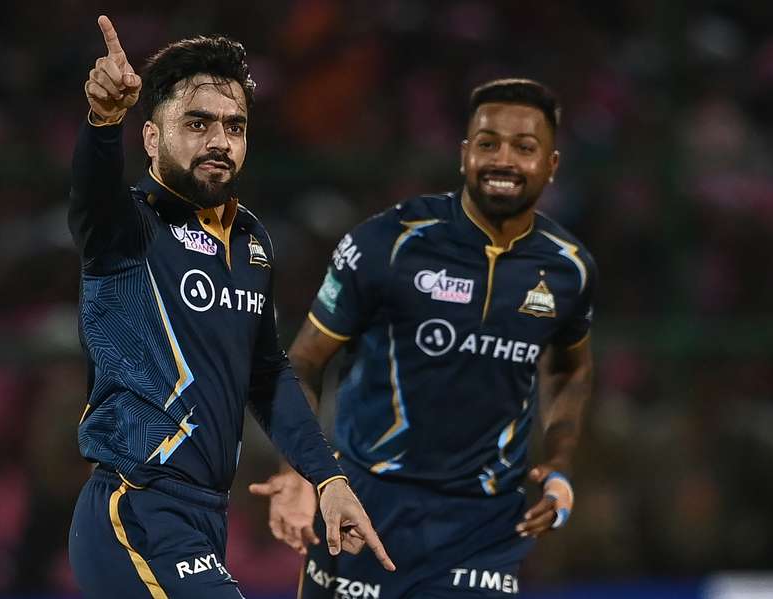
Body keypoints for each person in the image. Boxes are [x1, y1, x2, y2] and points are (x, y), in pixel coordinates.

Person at [67, 16, 394, 599]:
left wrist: (329, 478)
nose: (220, 139)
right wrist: (102, 123)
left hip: (206, 518)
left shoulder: (252, 242)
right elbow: (91, 199)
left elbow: (266, 376)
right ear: (150, 137)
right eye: (197, 123)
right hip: (136, 508)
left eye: (234, 126)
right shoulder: (129, 226)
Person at [250, 78, 596, 598]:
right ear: (463, 155)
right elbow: (302, 363)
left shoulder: (569, 269)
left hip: (483, 526)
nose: (503, 159)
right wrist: (302, 472)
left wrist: (561, 464)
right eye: (487, 143)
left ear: (551, 164)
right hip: (364, 504)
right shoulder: (387, 244)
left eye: (525, 147)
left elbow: (571, 367)